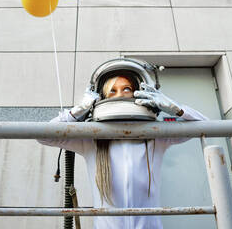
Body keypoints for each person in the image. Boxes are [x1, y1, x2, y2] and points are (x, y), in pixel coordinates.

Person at [38, 73, 208, 229]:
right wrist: (79, 109)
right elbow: (43, 135)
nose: (119, 94)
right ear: (102, 98)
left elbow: (206, 126)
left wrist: (174, 107)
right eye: (112, 91)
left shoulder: (156, 136)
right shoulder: (90, 139)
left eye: (126, 89)